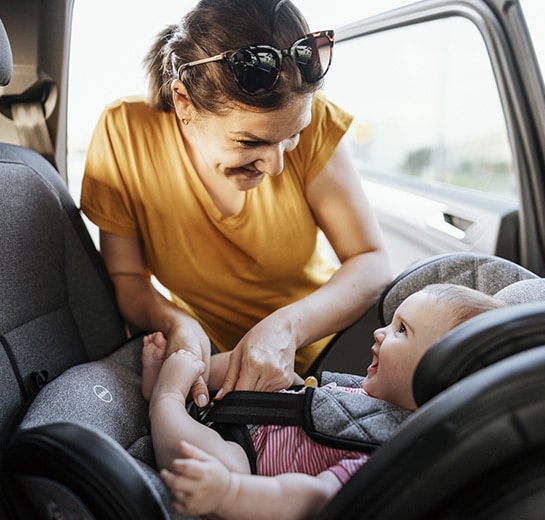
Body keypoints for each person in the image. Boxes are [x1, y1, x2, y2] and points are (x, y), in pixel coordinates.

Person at [80, 0, 392, 409]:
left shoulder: (320, 126)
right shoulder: (125, 133)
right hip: (222, 366)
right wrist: (178, 322)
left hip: (336, 346)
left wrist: (287, 328)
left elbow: (370, 260)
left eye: (292, 135)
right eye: (251, 142)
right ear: (183, 102)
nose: (277, 165)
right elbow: (128, 278)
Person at [143, 284, 506, 519]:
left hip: (249, 463)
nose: (379, 333)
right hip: (270, 413)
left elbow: (313, 498)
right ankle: (187, 377)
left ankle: (166, 398)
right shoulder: (372, 392)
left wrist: (229, 491)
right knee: (269, 372)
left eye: (401, 331)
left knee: (221, 460)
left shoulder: (388, 452)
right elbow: (310, 399)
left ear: (438, 374)